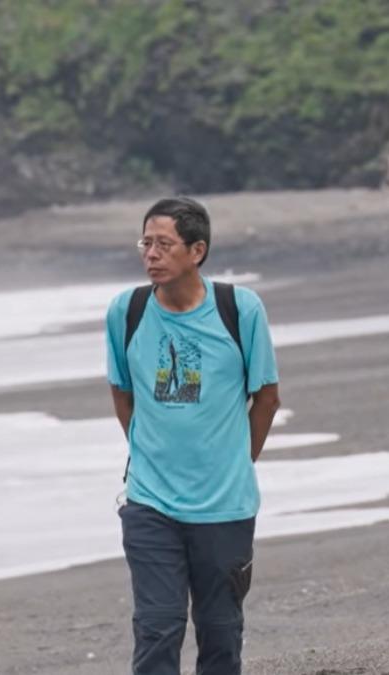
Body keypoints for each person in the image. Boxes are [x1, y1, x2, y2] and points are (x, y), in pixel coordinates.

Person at [104, 197, 281, 675]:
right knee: (157, 627)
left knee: (221, 633)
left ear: (197, 250)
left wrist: (236, 462)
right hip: (150, 502)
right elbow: (122, 394)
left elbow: (266, 398)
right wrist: (150, 455)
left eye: (164, 244)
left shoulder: (239, 309)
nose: (151, 254)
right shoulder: (127, 311)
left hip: (225, 505)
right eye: (146, 243)